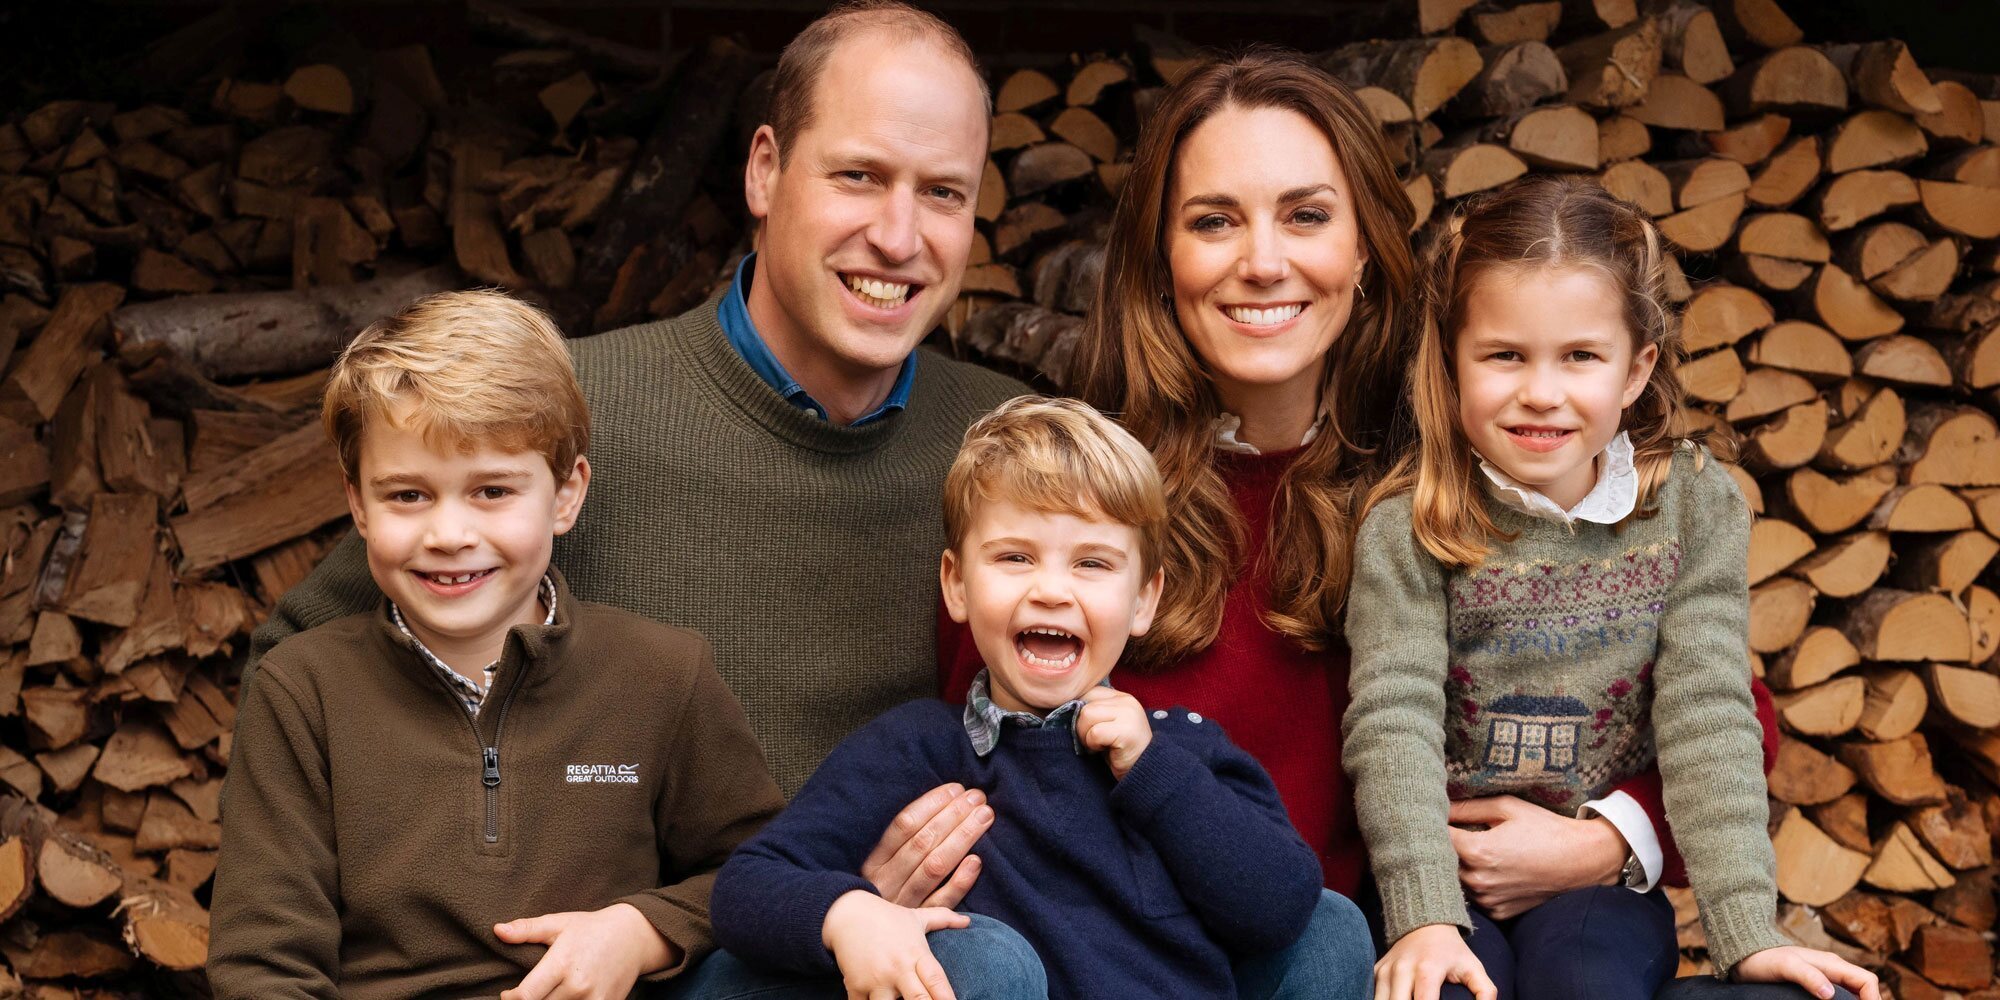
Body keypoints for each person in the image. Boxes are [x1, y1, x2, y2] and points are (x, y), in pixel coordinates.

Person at [931, 47, 1780, 928]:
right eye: (1215, 221)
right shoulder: (1079, 488)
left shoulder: (1462, 475)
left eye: (1305, 216)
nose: (1262, 262)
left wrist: (1605, 840)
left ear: (1367, 246)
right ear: (1159, 257)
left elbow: (1727, 713)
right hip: (1128, 962)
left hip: (1390, 955)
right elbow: (970, 740)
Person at [243, 0, 1026, 803]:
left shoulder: (1016, 452)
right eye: (858, 175)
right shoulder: (564, 413)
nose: (898, 237)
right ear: (765, 170)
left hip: (917, 924)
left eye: (942, 194)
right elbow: (290, 674)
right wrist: (513, 852)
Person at [1342, 177, 1879, 1000]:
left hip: (1597, 889)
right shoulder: (1412, 525)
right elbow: (1393, 719)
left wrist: (1747, 930)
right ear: (1451, 363)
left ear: (1636, 370)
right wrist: (1423, 914)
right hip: (1442, 875)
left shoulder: (1694, 508)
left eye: (1581, 356)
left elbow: (1709, 715)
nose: (1542, 391)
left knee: (1588, 985)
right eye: (1504, 355)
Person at [208, 291, 786, 999]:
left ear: (566, 494)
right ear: (357, 504)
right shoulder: (301, 691)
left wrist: (643, 928)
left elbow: (761, 870)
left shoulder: (664, 675)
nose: (449, 534)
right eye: (407, 496)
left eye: (491, 491)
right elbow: (264, 966)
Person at [708, 396, 1345, 1000]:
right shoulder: (920, 748)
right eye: (1015, 557)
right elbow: (748, 887)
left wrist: (1156, 775)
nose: (1051, 591)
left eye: (1092, 564)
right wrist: (850, 916)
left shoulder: (1182, 752)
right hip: (992, 976)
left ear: (1144, 600)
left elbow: (1282, 909)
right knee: (985, 957)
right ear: (957, 585)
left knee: (1332, 920)